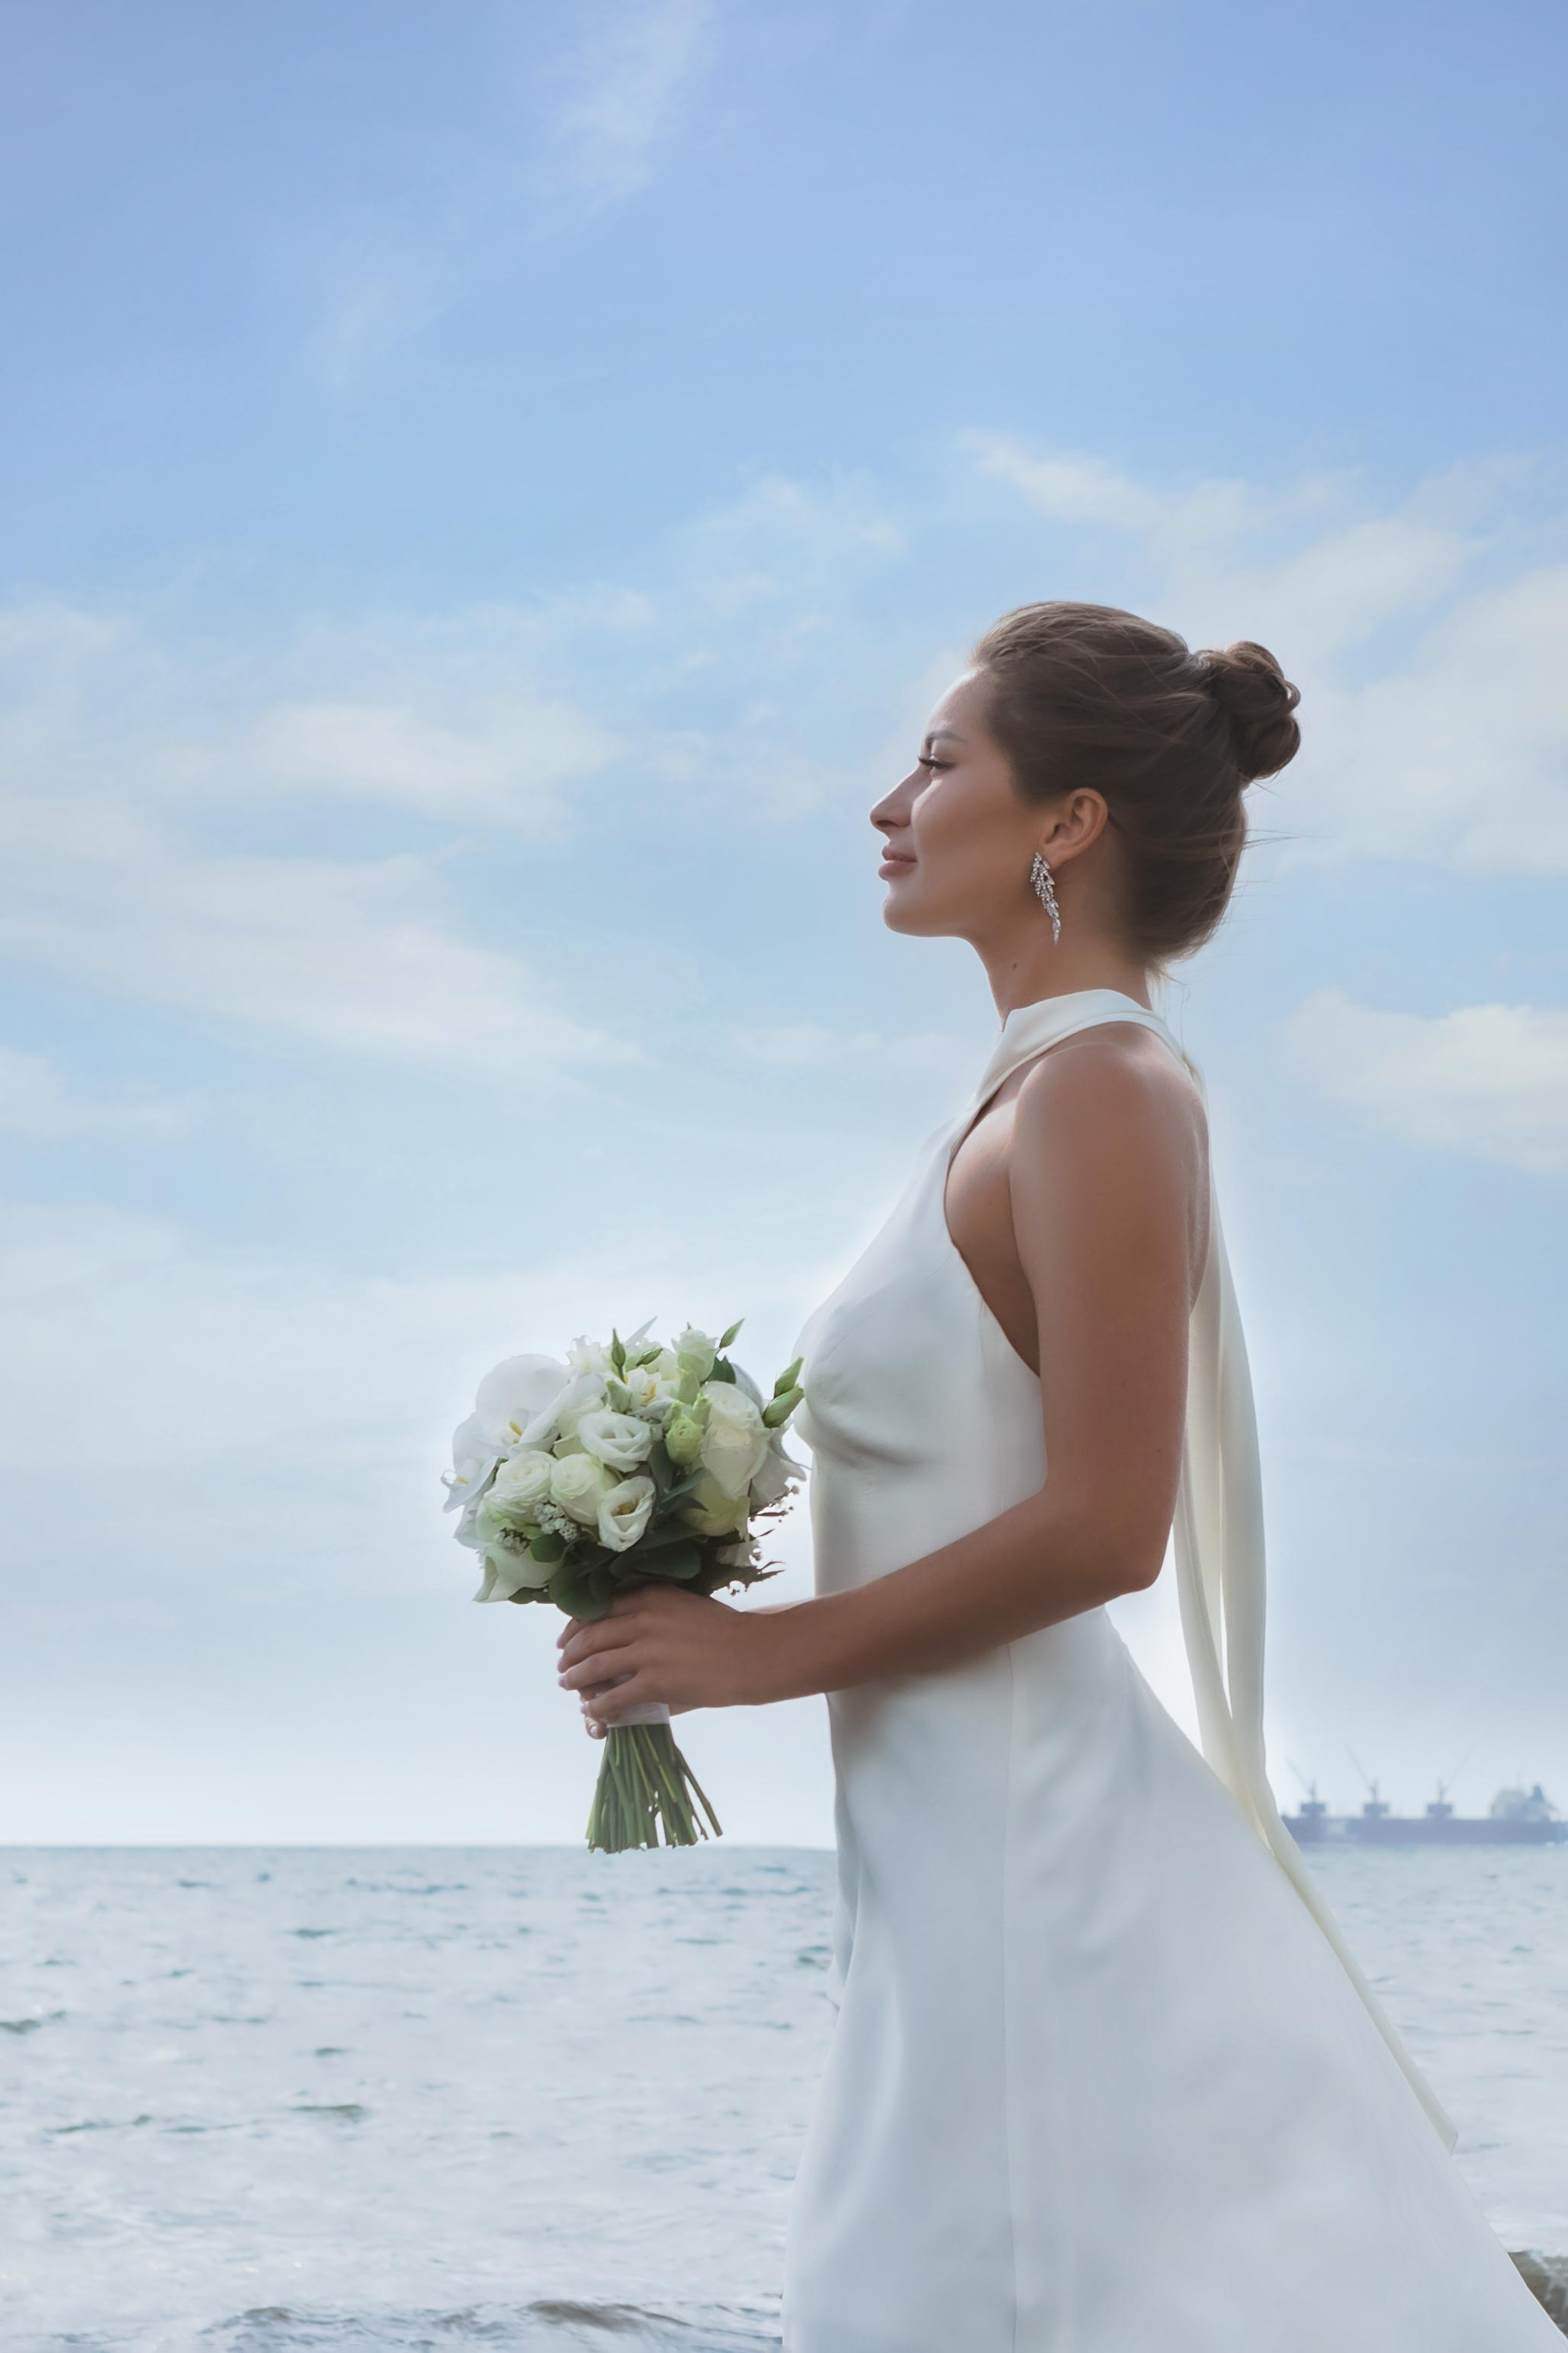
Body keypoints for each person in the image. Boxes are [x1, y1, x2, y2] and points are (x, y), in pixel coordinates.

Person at [554, 601, 1560, 2349]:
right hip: (942, 1842)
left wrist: (761, 1653)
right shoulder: (1014, 1102)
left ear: (1065, 821)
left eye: (937, 762)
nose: (887, 802)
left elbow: (1110, 1519)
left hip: (1034, 1849)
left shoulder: (1101, 1093)